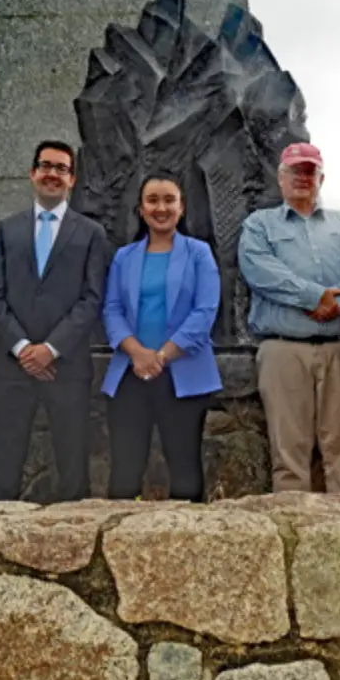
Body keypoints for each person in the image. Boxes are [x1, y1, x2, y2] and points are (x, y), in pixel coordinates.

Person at [0, 140, 110, 502]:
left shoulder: (91, 233)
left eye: (61, 169)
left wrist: (51, 349)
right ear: (33, 173)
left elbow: (93, 298)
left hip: (67, 367)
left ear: (72, 179)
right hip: (11, 367)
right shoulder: (6, 230)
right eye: (46, 166)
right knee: (4, 467)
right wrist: (24, 348)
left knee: (72, 468)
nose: (53, 174)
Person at [238, 142, 340, 494]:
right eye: (294, 171)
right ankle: (291, 520)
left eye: (310, 171)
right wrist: (313, 297)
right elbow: (259, 270)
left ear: (321, 178)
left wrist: (337, 303)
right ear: (280, 178)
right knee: (288, 448)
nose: (302, 177)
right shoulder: (259, 225)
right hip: (283, 349)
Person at [101, 172, 221, 500]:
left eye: (169, 200)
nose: (161, 207)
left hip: (184, 373)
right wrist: (138, 354)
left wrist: (162, 356)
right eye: (152, 200)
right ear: (141, 209)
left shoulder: (199, 253)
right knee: (125, 470)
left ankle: (188, 532)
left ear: (182, 208)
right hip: (131, 372)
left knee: (185, 469)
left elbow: (205, 311)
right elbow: (112, 310)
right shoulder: (124, 257)